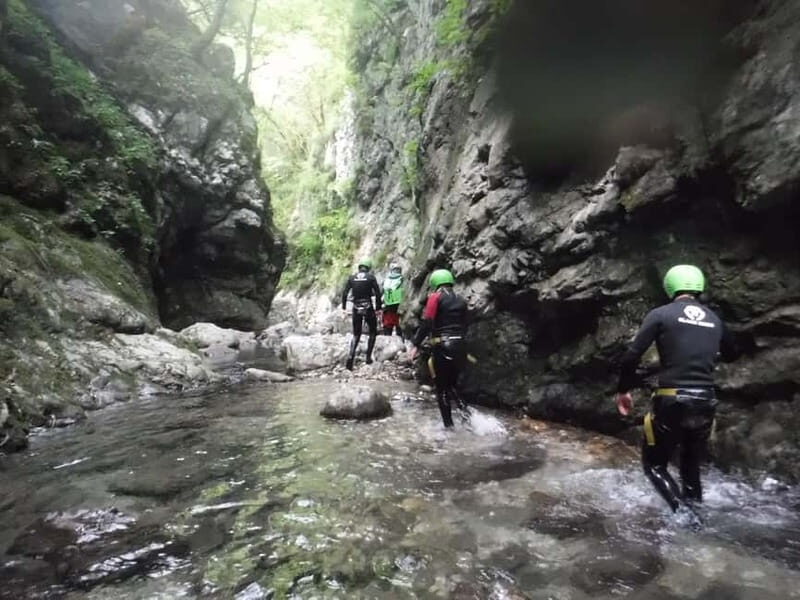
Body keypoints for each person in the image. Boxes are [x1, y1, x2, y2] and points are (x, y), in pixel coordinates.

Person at [616, 264, 738, 524]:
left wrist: (623, 389)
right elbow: (733, 352)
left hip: (672, 398)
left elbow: (631, 356)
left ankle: (685, 517)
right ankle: (697, 520)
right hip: (705, 401)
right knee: (690, 467)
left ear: (669, 286)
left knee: (655, 465)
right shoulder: (714, 319)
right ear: (700, 286)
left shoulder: (661, 315)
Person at [410, 268, 469, 428]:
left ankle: (449, 428)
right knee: (453, 386)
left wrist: (416, 344)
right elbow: (465, 325)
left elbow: (428, 322)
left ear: (435, 283)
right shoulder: (461, 300)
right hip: (460, 347)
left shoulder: (435, 297)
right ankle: (469, 419)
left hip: (443, 347)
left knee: (442, 389)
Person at [341, 258, 382, 370]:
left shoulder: (352, 278)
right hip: (368, 307)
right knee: (373, 332)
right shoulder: (371, 277)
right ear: (368, 268)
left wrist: (344, 308)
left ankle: (350, 358)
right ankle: (368, 357)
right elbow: (378, 294)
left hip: (356, 307)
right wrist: (378, 308)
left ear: (359, 268)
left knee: (356, 334)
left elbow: (345, 293)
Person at [381, 263, 405, 340]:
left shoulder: (387, 280)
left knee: (388, 328)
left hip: (388, 307)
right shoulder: (402, 279)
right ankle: (401, 342)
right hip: (399, 307)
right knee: (399, 327)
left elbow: (383, 293)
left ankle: (387, 342)